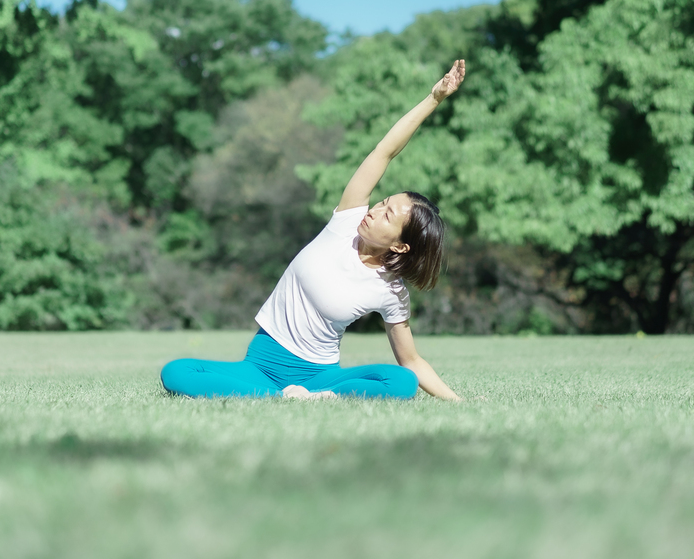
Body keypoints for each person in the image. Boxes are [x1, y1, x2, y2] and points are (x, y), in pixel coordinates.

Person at [160, 59, 467, 402]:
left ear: (400, 246)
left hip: (321, 375)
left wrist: (459, 402)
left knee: (400, 382)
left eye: (387, 215)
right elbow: (384, 152)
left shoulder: (391, 292)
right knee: (176, 373)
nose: (375, 210)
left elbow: (410, 361)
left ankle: (296, 395)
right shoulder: (347, 221)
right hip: (260, 366)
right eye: (382, 202)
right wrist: (434, 98)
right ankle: (284, 396)